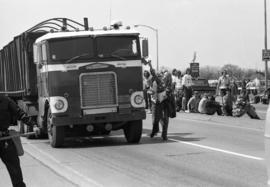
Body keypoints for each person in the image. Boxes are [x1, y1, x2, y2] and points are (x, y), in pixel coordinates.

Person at [0, 95, 38, 187]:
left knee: (15, 171)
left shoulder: (5, 100)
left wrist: (33, 125)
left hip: (5, 140)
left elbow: (20, 113)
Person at [149, 69, 170, 140]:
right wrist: (150, 92)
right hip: (156, 103)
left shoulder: (166, 83)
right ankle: (154, 131)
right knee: (155, 119)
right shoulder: (155, 82)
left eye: (161, 76)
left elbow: (168, 91)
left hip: (165, 102)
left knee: (165, 119)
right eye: (159, 76)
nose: (161, 77)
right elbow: (151, 91)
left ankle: (164, 134)